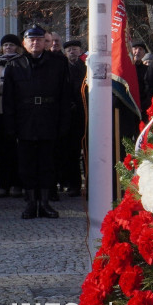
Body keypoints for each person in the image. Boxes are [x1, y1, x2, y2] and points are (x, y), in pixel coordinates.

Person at [2, 25, 71, 219]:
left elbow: (65, 95)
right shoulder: (15, 65)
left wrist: (64, 122)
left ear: (45, 41)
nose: (35, 42)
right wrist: (10, 125)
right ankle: (31, 203)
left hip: (49, 117)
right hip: (25, 119)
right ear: (23, 43)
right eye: (31, 39)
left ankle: (46, 203)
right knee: (27, 164)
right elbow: (9, 99)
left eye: (39, 39)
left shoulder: (58, 63)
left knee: (48, 163)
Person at [0, 34, 24, 198]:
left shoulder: (22, 62)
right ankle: (2, 184)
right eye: (5, 45)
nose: (8, 48)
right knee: (0, 149)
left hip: (16, 110)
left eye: (11, 45)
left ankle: (16, 184)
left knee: (16, 149)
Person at [61, 40, 87, 197]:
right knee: (71, 152)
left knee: (87, 151)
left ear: (80, 51)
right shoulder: (62, 68)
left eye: (75, 49)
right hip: (69, 115)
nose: (72, 52)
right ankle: (73, 184)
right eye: (69, 50)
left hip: (85, 113)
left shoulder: (85, 68)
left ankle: (90, 184)